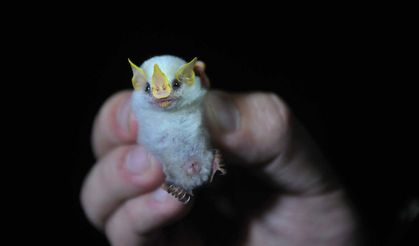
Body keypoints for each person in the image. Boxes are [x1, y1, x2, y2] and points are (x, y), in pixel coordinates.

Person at [80, 90, 362, 245]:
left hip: (212, 176)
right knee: (166, 188)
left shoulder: (196, 110)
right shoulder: (152, 117)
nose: (163, 95)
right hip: (185, 184)